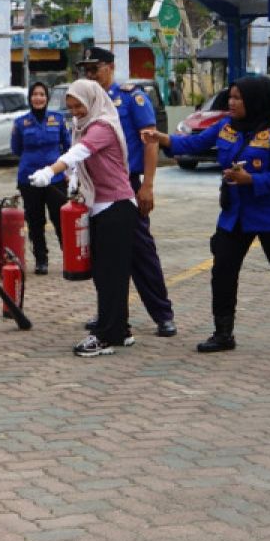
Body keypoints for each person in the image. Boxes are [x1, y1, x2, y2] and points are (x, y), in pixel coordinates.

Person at [143, 76, 270, 355]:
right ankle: (223, 333)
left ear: (255, 101)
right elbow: (194, 144)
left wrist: (251, 179)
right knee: (223, 271)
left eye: (238, 98)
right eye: (231, 97)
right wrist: (162, 138)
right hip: (235, 215)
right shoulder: (226, 127)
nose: (232, 102)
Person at [29, 79, 138, 357]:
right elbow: (81, 164)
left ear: (92, 101)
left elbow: (80, 152)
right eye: (71, 106)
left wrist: (50, 171)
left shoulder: (102, 127)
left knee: (109, 275)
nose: (75, 111)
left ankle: (105, 336)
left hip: (116, 206)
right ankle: (119, 329)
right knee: (108, 275)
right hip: (101, 206)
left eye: (79, 105)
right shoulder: (84, 125)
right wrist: (72, 181)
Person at [77, 47, 177, 337]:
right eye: (86, 71)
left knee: (140, 251)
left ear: (111, 67)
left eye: (95, 69)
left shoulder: (131, 97)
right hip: (94, 189)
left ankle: (162, 314)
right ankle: (109, 313)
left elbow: (150, 142)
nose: (91, 75)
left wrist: (147, 186)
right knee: (102, 255)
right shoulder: (88, 103)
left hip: (126, 186)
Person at [10, 81, 71, 275]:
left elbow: (67, 146)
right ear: (30, 98)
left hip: (55, 179)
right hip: (30, 180)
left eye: (42, 94)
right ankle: (41, 260)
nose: (38, 98)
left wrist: (67, 172)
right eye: (35, 94)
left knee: (60, 219)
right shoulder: (20, 122)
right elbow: (16, 149)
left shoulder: (58, 119)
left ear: (47, 98)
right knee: (35, 221)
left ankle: (69, 259)